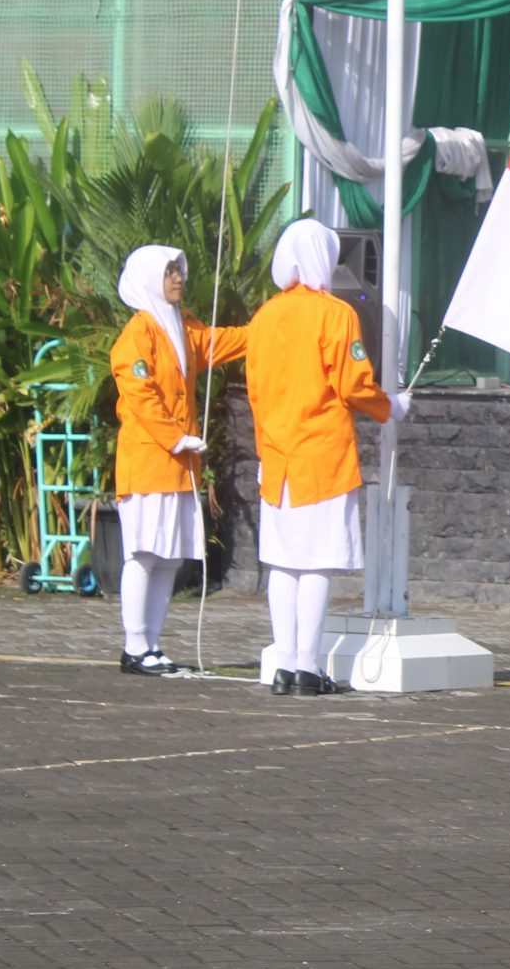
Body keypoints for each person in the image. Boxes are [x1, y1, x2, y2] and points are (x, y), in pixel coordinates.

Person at [245, 218, 399, 696]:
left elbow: (254, 391)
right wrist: (390, 407)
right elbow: (355, 384)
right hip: (322, 457)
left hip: (276, 456)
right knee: (316, 565)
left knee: (282, 564)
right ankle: (309, 667)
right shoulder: (336, 314)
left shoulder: (264, 316)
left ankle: (285, 664)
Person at [109, 245, 248, 674]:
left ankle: (152, 644)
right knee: (143, 553)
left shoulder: (182, 326)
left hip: (180, 465)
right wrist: (176, 439)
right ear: (150, 277)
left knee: (169, 557)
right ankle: (134, 646)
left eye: (179, 270)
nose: (178, 278)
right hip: (150, 461)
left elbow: (219, 341)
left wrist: (268, 327)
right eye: (169, 271)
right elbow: (140, 395)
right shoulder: (138, 333)